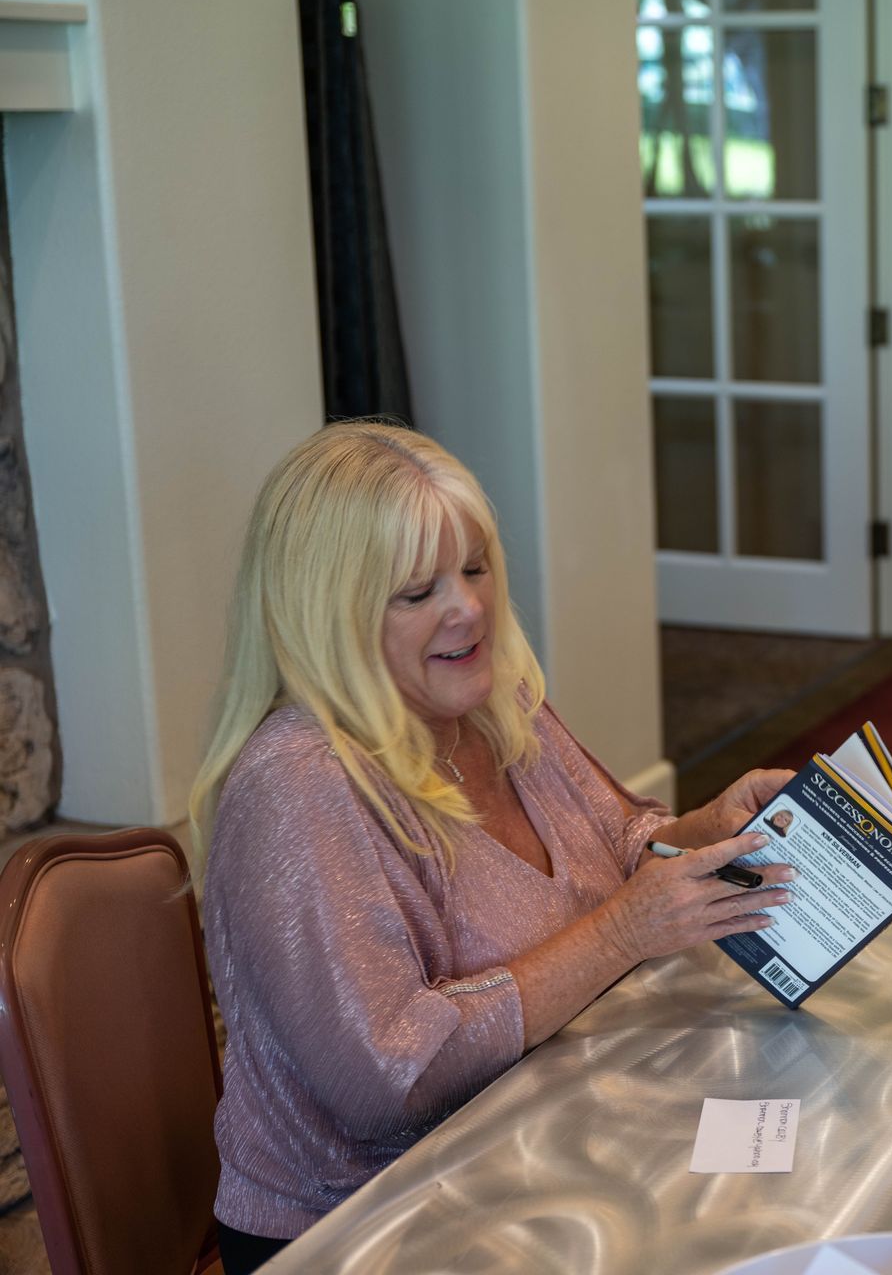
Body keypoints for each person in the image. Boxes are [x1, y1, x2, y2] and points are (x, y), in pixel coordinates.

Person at [188, 422, 799, 1271]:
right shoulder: (298, 784)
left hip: (543, 1140)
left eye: (474, 569)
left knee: (800, 1177)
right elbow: (385, 1083)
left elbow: (618, 847)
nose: (468, 608)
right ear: (327, 613)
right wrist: (625, 932)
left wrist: (711, 828)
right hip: (369, 1224)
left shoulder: (491, 699)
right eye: (417, 592)